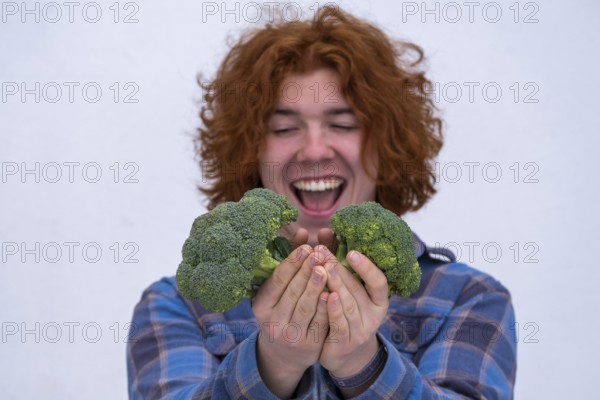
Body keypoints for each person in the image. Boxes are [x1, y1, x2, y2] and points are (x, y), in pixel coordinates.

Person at [127, 6, 516, 399]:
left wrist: (363, 364)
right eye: (284, 128)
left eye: (343, 124)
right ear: (249, 150)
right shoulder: (178, 305)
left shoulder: (469, 299)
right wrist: (274, 360)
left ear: (388, 146)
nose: (314, 150)